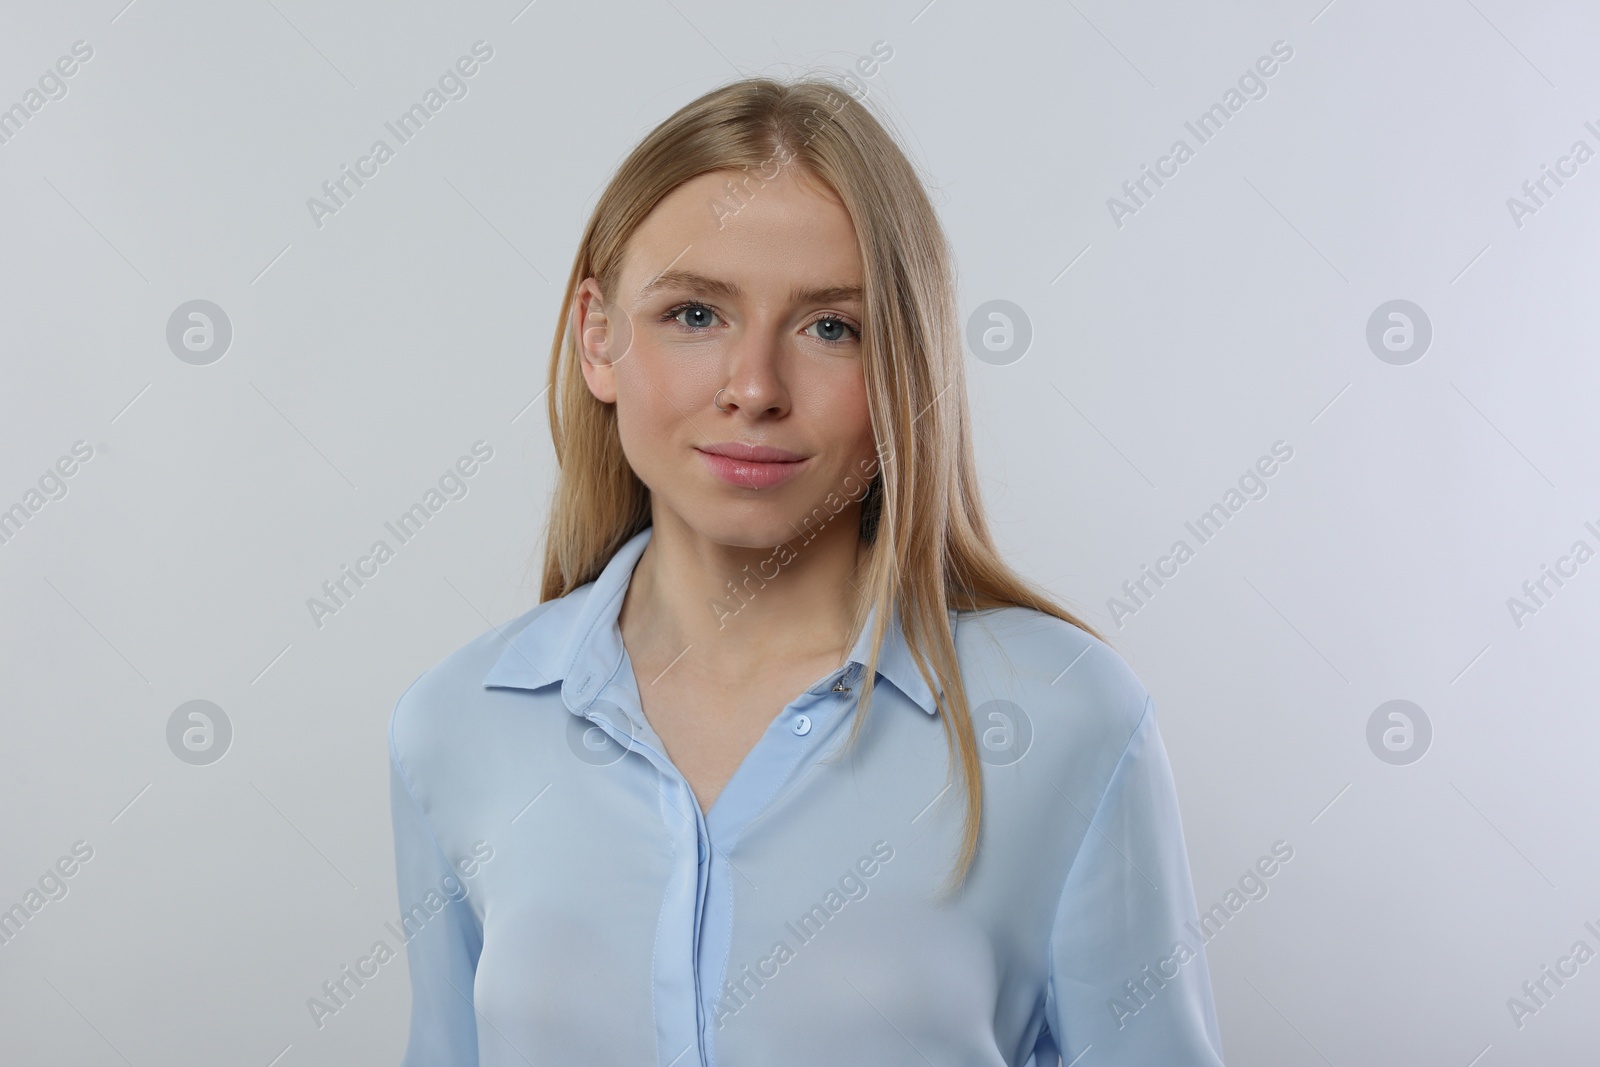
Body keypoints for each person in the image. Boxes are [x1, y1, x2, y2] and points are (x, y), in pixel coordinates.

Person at [387, 75, 1226, 1066]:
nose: (754, 387)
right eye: (695, 313)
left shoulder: (1064, 718)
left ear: (901, 369)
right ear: (596, 338)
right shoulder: (457, 723)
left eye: (831, 326)